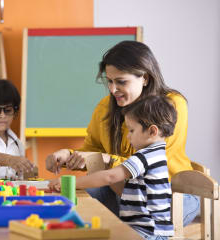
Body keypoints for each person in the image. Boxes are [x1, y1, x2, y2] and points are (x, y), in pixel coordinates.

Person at [45, 41, 199, 226]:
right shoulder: (105, 107)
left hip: (170, 195)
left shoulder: (171, 106)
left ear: (145, 78)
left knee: (140, 224)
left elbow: (148, 167)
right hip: (124, 191)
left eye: (121, 82)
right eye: (109, 81)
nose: (112, 89)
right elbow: (92, 149)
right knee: (72, 205)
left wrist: (104, 159)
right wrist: (69, 155)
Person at [49, 95, 176, 239]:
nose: (128, 137)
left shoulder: (144, 157)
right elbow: (123, 190)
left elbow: (109, 177)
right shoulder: (157, 155)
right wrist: (102, 170)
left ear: (152, 131)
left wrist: (71, 183)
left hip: (147, 232)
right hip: (150, 230)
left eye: (132, 131)